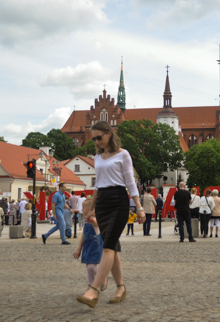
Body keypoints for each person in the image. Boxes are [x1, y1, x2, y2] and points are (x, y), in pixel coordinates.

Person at [77, 121, 145, 308]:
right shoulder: (98, 157)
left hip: (118, 201)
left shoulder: (123, 154)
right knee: (112, 246)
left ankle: (94, 289)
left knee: (107, 247)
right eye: (94, 139)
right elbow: (98, 184)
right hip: (103, 202)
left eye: (99, 137)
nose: (97, 141)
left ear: (109, 134)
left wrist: (138, 206)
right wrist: (92, 207)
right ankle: (121, 287)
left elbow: (130, 183)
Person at [74, 200, 107, 291]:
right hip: (87, 247)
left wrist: (91, 218)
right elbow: (83, 236)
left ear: (90, 209)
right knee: (88, 268)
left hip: (95, 248)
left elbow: (95, 224)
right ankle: (91, 286)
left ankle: (102, 277)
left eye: (84, 207)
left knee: (91, 267)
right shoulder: (86, 222)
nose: (82, 209)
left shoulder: (95, 220)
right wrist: (79, 249)